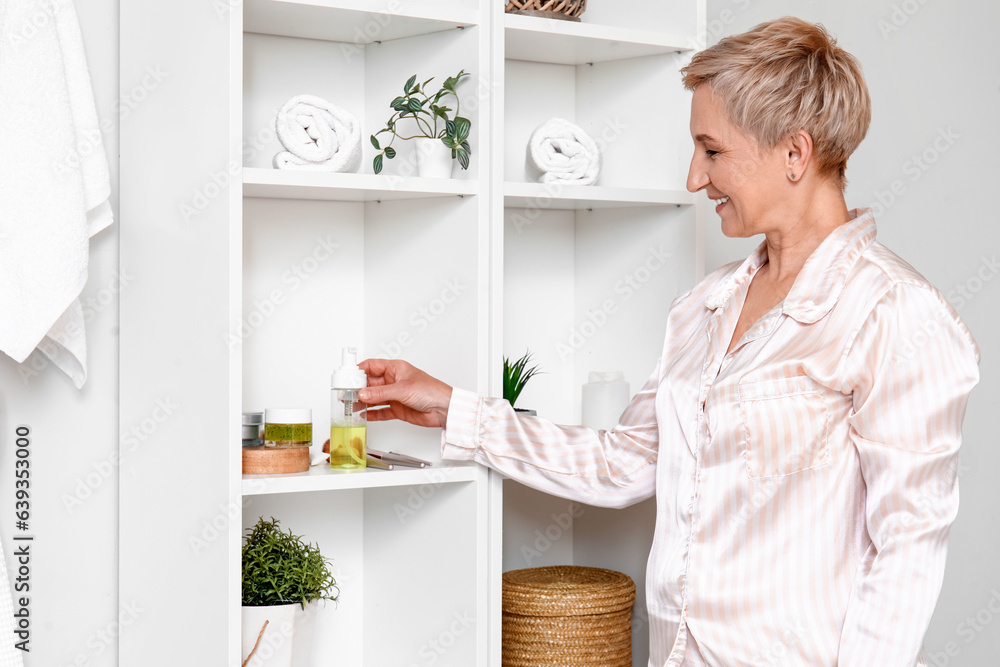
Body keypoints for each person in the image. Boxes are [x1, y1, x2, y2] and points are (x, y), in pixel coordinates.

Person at [358, 16, 980, 666]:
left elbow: (907, 550)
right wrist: (453, 409)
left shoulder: (896, 313)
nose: (693, 177)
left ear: (795, 154)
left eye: (712, 151)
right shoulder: (702, 307)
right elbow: (621, 463)